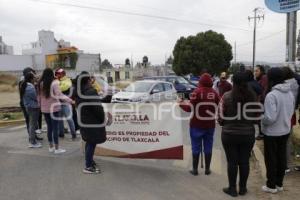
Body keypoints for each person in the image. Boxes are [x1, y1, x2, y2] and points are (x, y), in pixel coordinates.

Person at [219, 72, 260, 197]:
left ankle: (232, 189)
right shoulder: (253, 97)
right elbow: (257, 118)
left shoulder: (226, 97)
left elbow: (220, 118)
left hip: (229, 134)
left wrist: (226, 122)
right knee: (244, 162)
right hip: (248, 135)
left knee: (232, 162)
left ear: (233, 82)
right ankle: (243, 188)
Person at [179, 73, 220, 176]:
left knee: (196, 146)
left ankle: (195, 170)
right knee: (208, 146)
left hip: (196, 124)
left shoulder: (196, 92)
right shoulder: (215, 93)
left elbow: (189, 108)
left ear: (200, 82)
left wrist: (180, 103)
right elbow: (219, 107)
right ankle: (207, 169)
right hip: (210, 125)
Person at [261, 68, 295, 194]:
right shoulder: (290, 93)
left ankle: (271, 185)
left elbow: (270, 117)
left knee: (271, 159)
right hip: (285, 130)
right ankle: (279, 183)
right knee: (281, 158)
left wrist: (261, 119)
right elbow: (291, 112)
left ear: (271, 79)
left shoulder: (272, 95)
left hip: (272, 132)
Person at [75, 72, 111, 174]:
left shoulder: (79, 90)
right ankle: (88, 167)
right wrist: (102, 118)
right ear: (87, 80)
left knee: (89, 141)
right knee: (91, 142)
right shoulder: (90, 91)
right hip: (92, 121)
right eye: (91, 78)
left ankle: (89, 161)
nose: (92, 80)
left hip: (85, 120)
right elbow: (97, 107)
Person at [38, 68, 74, 154]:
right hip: (54, 108)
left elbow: (38, 97)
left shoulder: (40, 83)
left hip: (44, 109)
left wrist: (40, 106)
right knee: (55, 128)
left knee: (49, 128)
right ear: (52, 74)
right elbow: (60, 95)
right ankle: (57, 148)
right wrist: (70, 100)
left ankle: (51, 147)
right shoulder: (54, 83)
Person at [281, 67, 299, 173]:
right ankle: (286, 164)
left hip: (283, 114)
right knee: (288, 140)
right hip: (291, 114)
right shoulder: (296, 83)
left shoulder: (285, 85)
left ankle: (284, 164)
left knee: (283, 141)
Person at [19, 67, 43, 140]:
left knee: (32, 122)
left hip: (27, 103)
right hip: (27, 104)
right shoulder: (25, 83)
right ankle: (31, 137)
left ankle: (34, 136)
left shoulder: (26, 82)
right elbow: (34, 96)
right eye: (32, 73)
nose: (34, 75)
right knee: (29, 122)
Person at [55, 68, 77, 140]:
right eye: (57, 73)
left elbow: (64, 88)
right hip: (58, 103)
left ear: (63, 73)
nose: (58, 74)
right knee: (59, 120)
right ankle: (61, 134)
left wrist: (57, 86)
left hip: (65, 102)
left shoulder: (67, 80)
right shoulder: (57, 80)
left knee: (69, 119)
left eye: (59, 73)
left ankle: (73, 134)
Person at [254, 65, 268, 140]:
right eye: (254, 71)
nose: (255, 72)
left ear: (261, 71)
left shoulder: (264, 78)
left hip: (262, 102)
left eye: (257, 71)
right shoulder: (258, 79)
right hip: (259, 102)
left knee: (260, 118)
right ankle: (261, 133)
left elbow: (263, 91)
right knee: (259, 119)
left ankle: (262, 134)